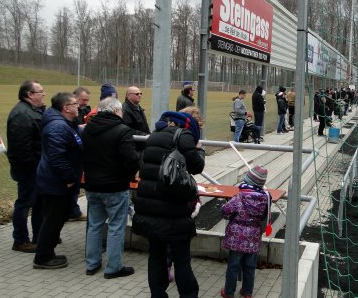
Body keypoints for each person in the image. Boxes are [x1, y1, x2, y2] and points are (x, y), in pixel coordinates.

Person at [132, 108, 205, 298]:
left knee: (156, 255)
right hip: (173, 209)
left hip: (149, 206)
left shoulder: (155, 135)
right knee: (181, 258)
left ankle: (157, 294)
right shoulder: (184, 135)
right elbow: (197, 166)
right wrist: (199, 149)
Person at [82, 97, 140, 278]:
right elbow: (131, 159)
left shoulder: (88, 128)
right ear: (116, 111)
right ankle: (113, 267)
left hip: (92, 185)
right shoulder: (122, 130)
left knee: (94, 225)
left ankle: (92, 264)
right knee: (116, 227)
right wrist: (131, 174)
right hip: (115, 186)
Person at [34, 92, 83, 269]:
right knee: (52, 219)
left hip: (57, 181)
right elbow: (57, 157)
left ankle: (48, 252)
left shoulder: (65, 124)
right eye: (75, 103)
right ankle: (43, 257)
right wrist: (69, 178)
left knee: (57, 217)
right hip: (56, 182)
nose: (78, 105)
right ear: (66, 108)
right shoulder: (57, 127)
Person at [220, 166, 272, 298]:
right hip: (253, 237)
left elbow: (225, 211)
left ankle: (229, 292)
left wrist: (225, 206)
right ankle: (247, 292)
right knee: (250, 266)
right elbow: (264, 216)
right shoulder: (266, 198)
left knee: (233, 265)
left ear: (248, 180)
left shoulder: (240, 197)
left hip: (237, 238)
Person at [6, 80, 46, 253]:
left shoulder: (33, 111)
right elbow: (21, 148)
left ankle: (39, 236)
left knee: (38, 203)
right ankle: (20, 240)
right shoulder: (21, 114)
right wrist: (32, 168)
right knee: (25, 203)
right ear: (29, 95)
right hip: (29, 169)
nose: (44, 94)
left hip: (36, 167)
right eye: (40, 91)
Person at [69, 86, 91, 221]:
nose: (85, 103)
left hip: (81, 153)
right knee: (72, 184)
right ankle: (71, 211)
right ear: (75, 97)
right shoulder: (69, 114)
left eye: (87, 100)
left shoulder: (85, 109)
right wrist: (80, 129)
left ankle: (73, 211)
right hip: (73, 154)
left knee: (76, 185)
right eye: (83, 100)